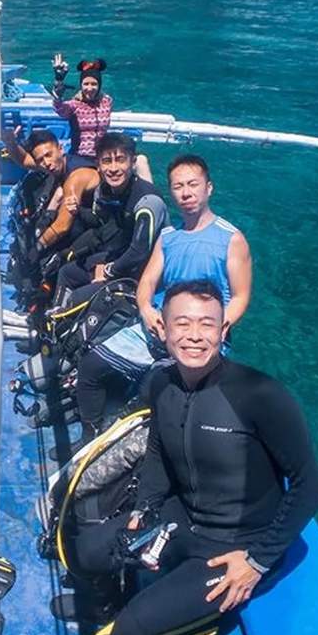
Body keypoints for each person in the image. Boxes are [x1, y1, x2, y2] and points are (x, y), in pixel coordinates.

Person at [5, 280, 318, 635]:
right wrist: (145, 508)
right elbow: (158, 449)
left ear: (223, 330)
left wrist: (256, 561)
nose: (194, 335)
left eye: (206, 324)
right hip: (181, 518)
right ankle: (102, 615)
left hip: (232, 546)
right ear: (162, 329)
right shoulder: (160, 383)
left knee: (135, 625)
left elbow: (309, 488)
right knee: (83, 550)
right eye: (183, 323)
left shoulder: (260, 396)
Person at [75, 154, 252, 439]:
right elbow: (147, 282)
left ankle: (124, 437)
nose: (186, 193)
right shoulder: (168, 236)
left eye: (193, 184)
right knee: (90, 366)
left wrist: (214, 328)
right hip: (157, 328)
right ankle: (91, 436)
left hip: (199, 337)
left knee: (154, 388)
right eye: (178, 186)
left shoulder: (232, 239)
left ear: (209, 188)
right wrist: (147, 310)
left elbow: (240, 297)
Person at [52, 132, 168, 308]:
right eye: (107, 161)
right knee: (67, 272)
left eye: (120, 160)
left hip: (148, 272)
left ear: (133, 162)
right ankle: (55, 315)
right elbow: (100, 222)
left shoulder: (148, 201)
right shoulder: (104, 191)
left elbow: (139, 251)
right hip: (120, 257)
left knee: (78, 296)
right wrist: (77, 210)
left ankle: (66, 319)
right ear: (98, 165)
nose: (113, 168)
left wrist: (108, 271)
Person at [2, 125, 100, 255]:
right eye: (40, 160)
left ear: (60, 149)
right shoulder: (55, 164)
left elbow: (62, 226)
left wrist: (36, 248)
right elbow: (24, 160)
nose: (46, 163)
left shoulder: (76, 177)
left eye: (48, 155)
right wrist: (10, 143)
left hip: (101, 227)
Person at [51, 55, 113, 169]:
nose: (89, 88)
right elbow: (60, 109)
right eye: (86, 84)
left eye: (94, 84)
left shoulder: (107, 101)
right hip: (80, 156)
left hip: (103, 155)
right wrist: (58, 83)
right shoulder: (75, 105)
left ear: (99, 85)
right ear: (81, 85)